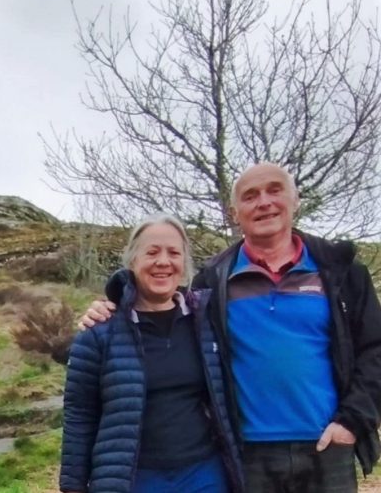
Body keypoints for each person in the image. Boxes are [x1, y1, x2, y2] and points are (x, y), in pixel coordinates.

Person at [80, 163, 381, 492]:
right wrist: (110, 307)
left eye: (274, 190)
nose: (263, 202)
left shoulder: (341, 271)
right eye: (250, 196)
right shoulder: (212, 281)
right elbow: (161, 306)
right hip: (246, 454)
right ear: (234, 213)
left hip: (327, 447)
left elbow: (375, 350)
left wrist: (351, 422)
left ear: (295, 200)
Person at [60, 213, 243, 493]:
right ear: (133, 260)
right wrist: (73, 485)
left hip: (204, 474)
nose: (163, 261)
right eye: (152, 252)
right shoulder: (98, 333)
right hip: (134, 479)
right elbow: (80, 412)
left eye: (174, 253)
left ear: (184, 264)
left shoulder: (208, 321)